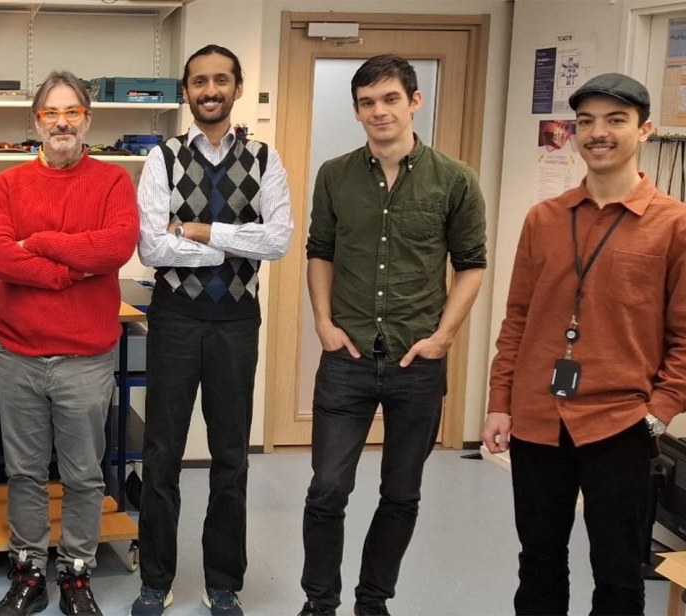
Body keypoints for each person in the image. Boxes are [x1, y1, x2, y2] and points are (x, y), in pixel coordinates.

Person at [484, 73, 686, 615]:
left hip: (621, 423)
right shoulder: (544, 219)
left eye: (615, 120)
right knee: (538, 561)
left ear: (645, 131)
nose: (599, 133)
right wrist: (501, 400)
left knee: (617, 574)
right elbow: (518, 318)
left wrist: (657, 416)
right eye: (586, 121)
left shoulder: (682, 227)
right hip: (539, 420)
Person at [300, 54, 487, 616]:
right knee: (327, 491)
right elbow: (320, 252)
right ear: (356, 111)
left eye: (389, 99)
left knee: (401, 494)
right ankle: (320, 601)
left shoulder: (454, 179)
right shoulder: (334, 174)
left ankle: (373, 599)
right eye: (366, 103)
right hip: (348, 359)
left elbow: (471, 264)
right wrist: (323, 324)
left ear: (413, 102)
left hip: (417, 363)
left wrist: (444, 337)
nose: (378, 111)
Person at [131, 44, 293, 616]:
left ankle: (223, 580)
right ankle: (155, 578)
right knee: (161, 455)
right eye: (199, 81)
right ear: (186, 91)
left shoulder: (265, 158)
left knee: (231, 456)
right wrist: (232, 239)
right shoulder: (164, 159)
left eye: (220, 80)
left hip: (235, 324)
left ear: (237, 87)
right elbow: (152, 246)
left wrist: (200, 231)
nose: (210, 90)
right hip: (175, 319)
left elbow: (277, 241)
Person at [0, 70, 140, 616]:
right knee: (23, 471)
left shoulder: (114, 182)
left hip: (85, 357)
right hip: (17, 353)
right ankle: (28, 571)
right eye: (51, 113)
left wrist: (42, 244)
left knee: (82, 473)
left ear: (88, 120)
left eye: (72, 112)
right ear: (37, 122)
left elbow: (115, 247)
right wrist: (67, 270)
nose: (63, 121)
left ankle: (76, 572)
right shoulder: (8, 185)